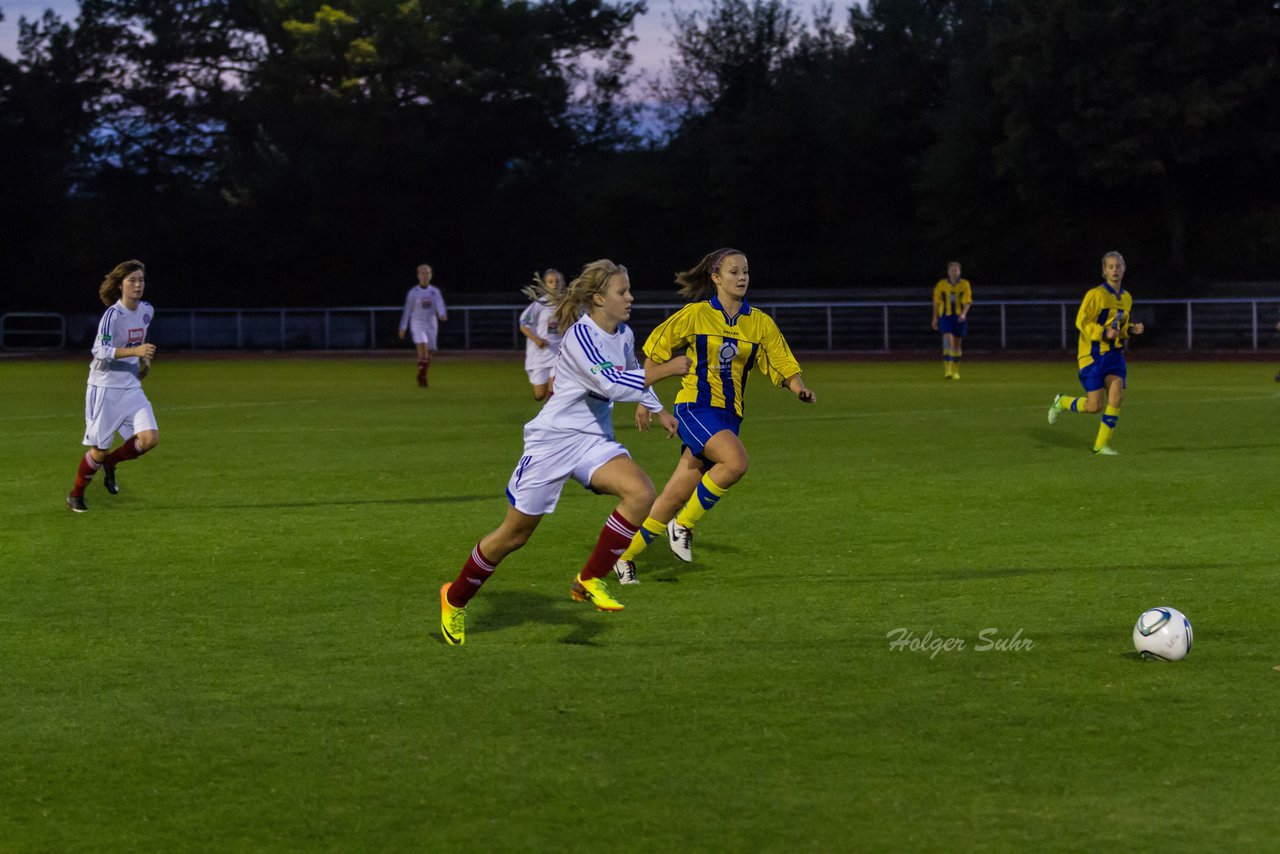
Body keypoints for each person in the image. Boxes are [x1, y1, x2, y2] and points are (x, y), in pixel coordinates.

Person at [439, 259, 689, 645]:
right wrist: (669, 368)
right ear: (598, 298)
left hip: (592, 440)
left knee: (641, 492)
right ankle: (454, 599)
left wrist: (658, 409)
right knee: (514, 536)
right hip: (553, 442)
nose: (630, 297)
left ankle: (588, 579)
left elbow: (631, 371)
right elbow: (611, 383)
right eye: (622, 292)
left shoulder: (622, 333)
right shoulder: (580, 337)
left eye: (629, 290)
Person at [611, 248, 816, 585]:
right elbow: (655, 351)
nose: (742, 277)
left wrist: (798, 388)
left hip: (728, 416)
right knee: (735, 462)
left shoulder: (759, 322)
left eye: (746, 271)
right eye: (734, 272)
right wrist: (644, 400)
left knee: (674, 495)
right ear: (716, 278)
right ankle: (684, 525)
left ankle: (624, 557)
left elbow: (781, 360)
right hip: (694, 407)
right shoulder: (695, 315)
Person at [66, 259, 160, 512]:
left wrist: (144, 360)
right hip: (104, 388)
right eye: (132, 280)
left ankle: (112, 464)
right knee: (99, 450)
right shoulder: (113, 315)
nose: (138, 285)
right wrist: (137, 350)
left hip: (130, 386)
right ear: (120, 285)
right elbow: (99, 350)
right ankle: (76, 494)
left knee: (149, 439)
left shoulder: (147, 310)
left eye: (141, 280)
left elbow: (137, 342)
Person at [1047, 250, 1145, 455]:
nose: (1114, 270)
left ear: (1124, 269)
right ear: (1104, 271)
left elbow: (1119, 328)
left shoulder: (1127, 298)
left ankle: (1101, 445)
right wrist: (1102, 332)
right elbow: (1081, 321)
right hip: (1092, 355)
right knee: (1094, 406)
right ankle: (1062, 402)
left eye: (1118, 266)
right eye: (1110, 267)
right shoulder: (1096, 295)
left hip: (1114, 356)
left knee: (1117, 396)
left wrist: (1131, 330)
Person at [517, 268, 566, 401]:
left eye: (557, 281)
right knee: (539, 395)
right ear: (545, 285)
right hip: (539, 355)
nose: (555, 284)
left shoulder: (567, 304)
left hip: (558, 353)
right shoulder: (539, 304)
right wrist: (537, 340)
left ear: (562, 284)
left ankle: (551, 419)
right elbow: (524, 324)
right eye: (551, 282)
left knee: (555, 391)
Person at [397, 263, 448, 387]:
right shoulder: (413, 292)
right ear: (418, 276)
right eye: (423, 273)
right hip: (417, 322)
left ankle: (421, 373)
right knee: (423, 349)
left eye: (428, 273)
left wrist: (442, 314)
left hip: (431, 323)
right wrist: (403, 327)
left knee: (429, 352)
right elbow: (407, 310)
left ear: (431, 275)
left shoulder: (435, 291)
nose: (425, 275)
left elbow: (440, 304)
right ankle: (423, 378)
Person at [931, 261, 972, 379]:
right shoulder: (942, 284)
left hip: (959, 316)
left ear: (959, 272)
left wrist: (963, 314)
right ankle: (947, 370)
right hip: (945, 315)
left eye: (956, 270)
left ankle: (956, 371)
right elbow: (936, 302)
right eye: (952, 270)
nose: (954, 272)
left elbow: (967, 301)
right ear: (948, 272)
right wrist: (934, 318)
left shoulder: (965, 284)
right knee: (948, 339)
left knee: (957, 345)